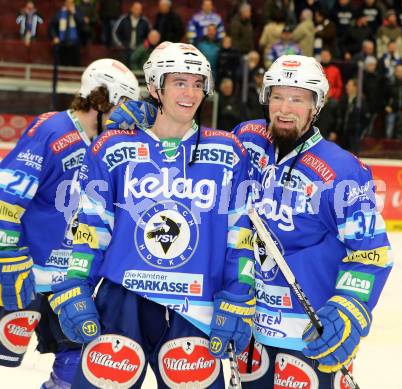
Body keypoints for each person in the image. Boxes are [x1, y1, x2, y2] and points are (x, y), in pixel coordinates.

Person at [49, 42, 255, 388]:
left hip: (196, 308)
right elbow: (91, 225)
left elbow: (241, 233)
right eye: (179, 82)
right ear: (156, 87)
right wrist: (74, 284)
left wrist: (238, 292)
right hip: (121, 298)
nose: (190, 93)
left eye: (197, 83)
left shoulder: (228, 151)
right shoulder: (114, 147)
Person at [232, 55, 393, 387]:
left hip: (308, 335)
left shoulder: (342, 170)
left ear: (315, 106)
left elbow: (371, 253)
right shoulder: (247, 140)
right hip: (249, 329)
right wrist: (156, 118)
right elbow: (196, 150)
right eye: (277, 96)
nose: (285, 108)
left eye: (298, 99)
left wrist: (348, 308)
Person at [0, 58, 140, 388]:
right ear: (102, 99)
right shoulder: (51, 130)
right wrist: (7, 256)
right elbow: (6, 197)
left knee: (76, 363)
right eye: (123, 106)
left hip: (71, 281)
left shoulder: (110, 145)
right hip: (25, 273)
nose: (126, 117)